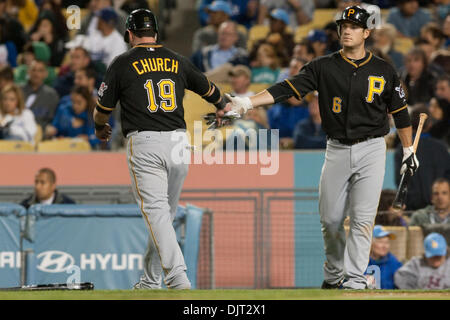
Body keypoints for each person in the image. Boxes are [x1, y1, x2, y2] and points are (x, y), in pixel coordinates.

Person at [224, 6, 418, 289]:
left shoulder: (384, 69)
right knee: (330, 219)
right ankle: (334, 271)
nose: (347, 29)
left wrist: (409, 150)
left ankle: (354, 279)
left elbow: (400, 113)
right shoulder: (322, 66)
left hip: (372, 148)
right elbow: (289, 87)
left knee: (363, 219)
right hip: (337, 148)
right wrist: (248, 101)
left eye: (354, 25)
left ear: (366, 32)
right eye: (343, 25)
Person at [93, 9, 228, 290]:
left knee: (156, 214)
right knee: (163, 216)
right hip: (179, 142)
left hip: (146, 143)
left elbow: (102, 110)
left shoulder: (122, 62)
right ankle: (151, 280)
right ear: (155, 31)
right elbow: (213, 92)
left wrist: (99, 128)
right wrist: (222, 108)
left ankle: (178, 278)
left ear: (129, 33)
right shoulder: (177, 60)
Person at [394, 106, 450, 210]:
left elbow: (400, 180)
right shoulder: (441, 148)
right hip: (439, 208)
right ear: (430, 124)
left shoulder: (402, 149)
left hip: (412, 208)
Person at [20, 59, 60, 131]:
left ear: (45, 74)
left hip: (41, 132)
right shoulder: (18, 91)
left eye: (40, 70)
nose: (36, 73)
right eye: (33, 70)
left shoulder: (52, 95)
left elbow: (52, 120)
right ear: (28, 72)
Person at [366, 225, 402, 289]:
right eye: (381, 242)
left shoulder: (393, 262)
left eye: (387, 242)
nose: (385, 246)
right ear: (370, 243)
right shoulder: (360, 262)